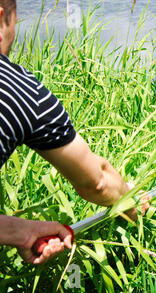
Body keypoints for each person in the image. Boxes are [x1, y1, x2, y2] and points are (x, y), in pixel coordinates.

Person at [0, 0, 146, 265]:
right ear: (1, 18)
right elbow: (97, 183)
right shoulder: (22, 91)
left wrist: (19, 231)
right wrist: (129, 200)